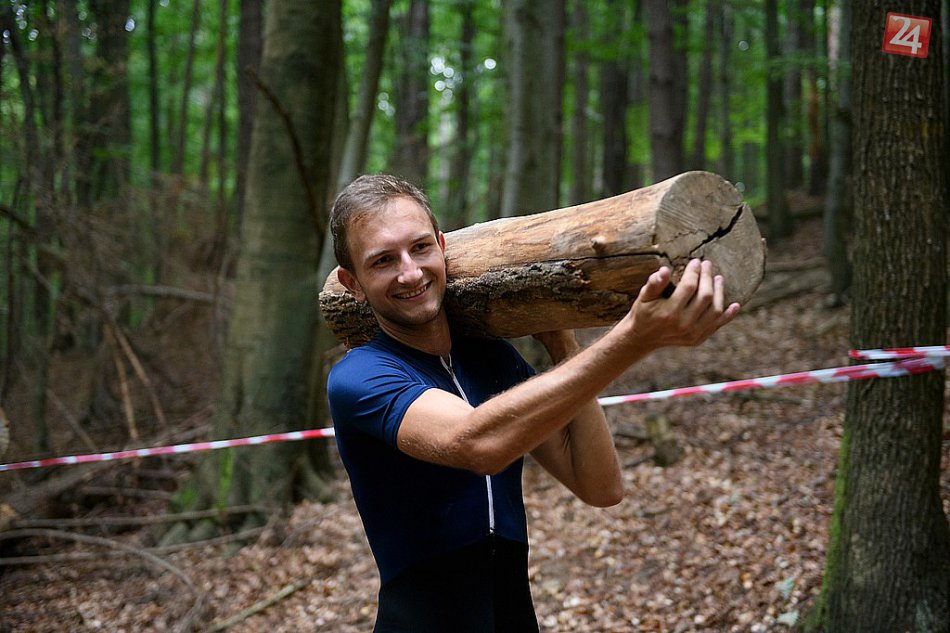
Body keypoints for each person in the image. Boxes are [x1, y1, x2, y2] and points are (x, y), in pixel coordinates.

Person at [326, 174, 740, 632]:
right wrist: (634, 338)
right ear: (353, 283)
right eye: (383, 260)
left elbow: (601, 487)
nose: (410, 273)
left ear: (442, 246)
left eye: (420, 248)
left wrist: (564, 345)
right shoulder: (359, 377)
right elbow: (478, 443)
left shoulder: (492, 360)